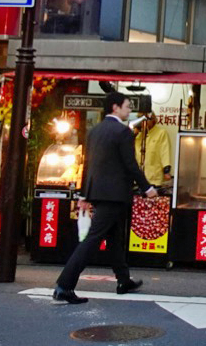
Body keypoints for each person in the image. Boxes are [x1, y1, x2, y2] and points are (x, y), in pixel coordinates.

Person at [54, 92, 157, 305]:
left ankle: (123, 280)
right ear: (115, 108)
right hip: (116, 194)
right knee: (93, 239)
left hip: (98, 192)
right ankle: (64, 285)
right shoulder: (123, 132)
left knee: (114, 238)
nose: (130, 110)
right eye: (127, 106)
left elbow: (87, 163)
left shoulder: (95, 131)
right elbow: (130, 165)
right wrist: (147, 187)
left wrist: (84, 193)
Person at [132, 104, 174, 191]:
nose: (144, 122)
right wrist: (134, 133)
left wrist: (166, 170)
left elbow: (164, 152)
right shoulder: (137, 134)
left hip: (154, 178)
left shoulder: (161, 133)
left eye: (146, 119)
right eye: (141, 120)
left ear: (153, 120)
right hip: (137, 179)